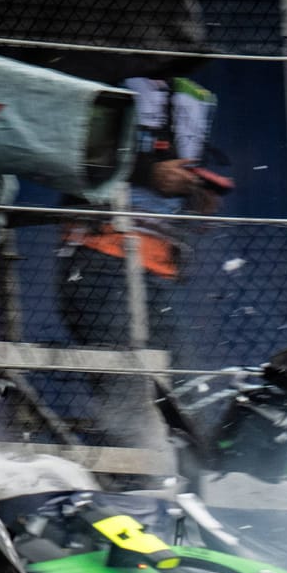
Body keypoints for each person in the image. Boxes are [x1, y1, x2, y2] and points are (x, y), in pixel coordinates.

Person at [59, 76, 226, 447]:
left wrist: (196, 194)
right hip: (100, 255)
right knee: (123, 382)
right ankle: (130, 473)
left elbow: (180, 198)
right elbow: (73, 150)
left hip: (158, 268)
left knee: (185, 381)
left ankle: (196, 471)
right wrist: (150, 172)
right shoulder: (105, 75)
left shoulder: (190, 96)